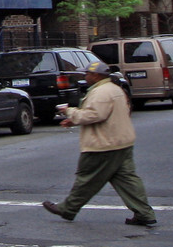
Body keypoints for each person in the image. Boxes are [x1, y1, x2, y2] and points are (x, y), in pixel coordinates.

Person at [43, 60, 156, 227]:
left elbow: (94, 115)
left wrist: (69, 111)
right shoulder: (115, 89)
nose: (85, 76)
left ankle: (68, 208)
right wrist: (73, 121)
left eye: (88, 74)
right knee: (128, 180)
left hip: (103, 145)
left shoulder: (101, 92)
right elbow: (107, 115)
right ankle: (144, 213)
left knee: (86, 179)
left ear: (96, 75)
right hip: (121, 142)